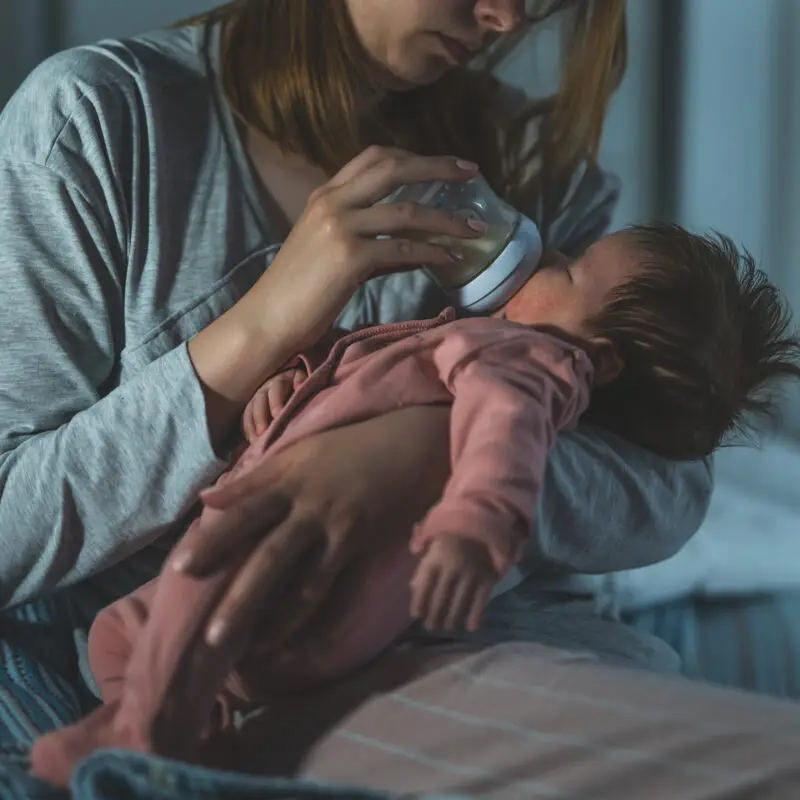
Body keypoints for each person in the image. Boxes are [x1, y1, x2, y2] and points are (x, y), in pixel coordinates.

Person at [0, 0, 713, 777]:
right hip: (226, 670)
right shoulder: (99, 126)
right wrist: (257, 332)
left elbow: (673, 473)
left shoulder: (530, 172)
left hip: (497, 641)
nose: (505, 20)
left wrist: (420, 451)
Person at [29, 222, 800, 786]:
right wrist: (287, 388)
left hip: (318, 576)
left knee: (197, 585)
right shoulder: (503, 341)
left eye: (568, 266)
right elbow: (361, 383)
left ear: (596, 357)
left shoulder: (535, 360)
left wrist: (474, 519)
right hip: (285, 561)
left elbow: (507, 430)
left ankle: (145, 744)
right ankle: (193, 728)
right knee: (119, 634)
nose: (546, 255)